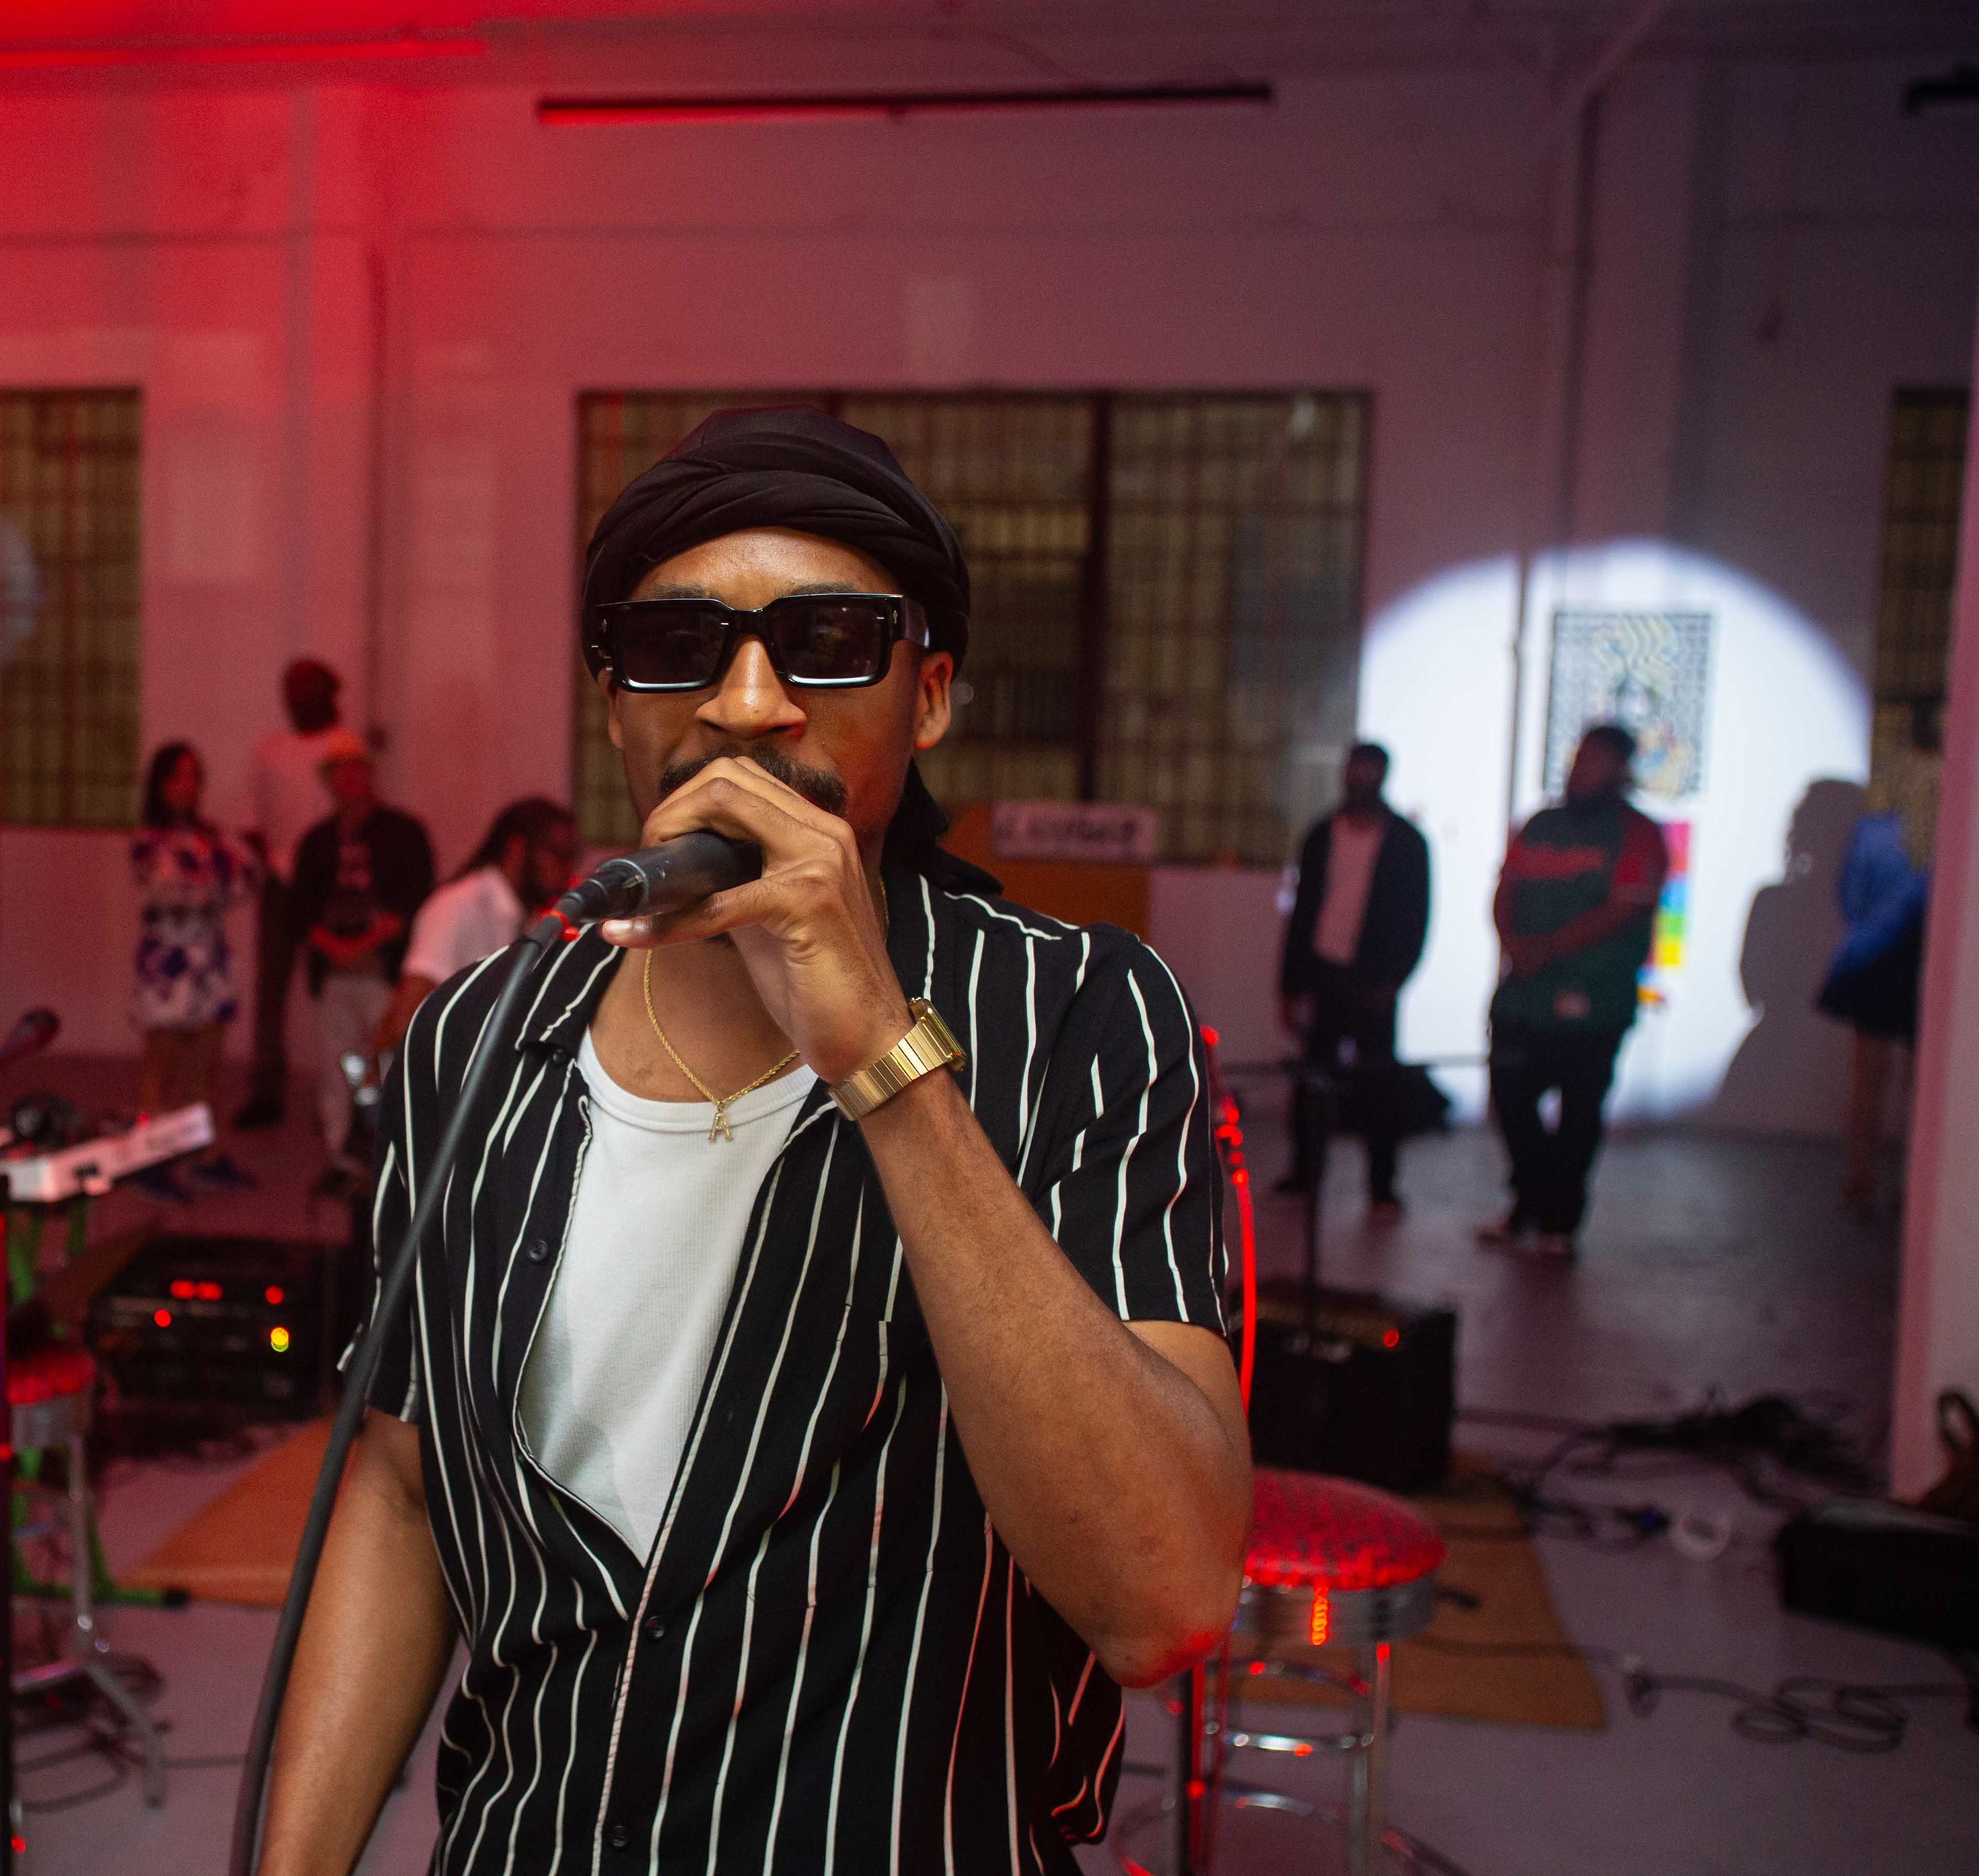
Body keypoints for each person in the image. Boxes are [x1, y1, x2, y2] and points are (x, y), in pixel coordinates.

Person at [261, 407, 1245, 1875]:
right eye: (678, 646)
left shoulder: (1082, 1014)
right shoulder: (478, 1039)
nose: (745, 700)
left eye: (827, 641)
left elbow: (1161, 1596)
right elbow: (402, 1493)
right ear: (615, 705)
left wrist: (879, 1053)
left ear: (928, 696)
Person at [1483, 723, 1668, 1261]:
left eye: (1595, 760)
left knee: (1578, 1117)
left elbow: (1624, 909)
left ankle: (1557, 1220)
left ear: (1620, 770)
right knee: (1510, 1099)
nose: (1580, 769)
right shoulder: (1541, 825)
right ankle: (1531, 1198)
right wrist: (1515, 944)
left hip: (1595, 1006)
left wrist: (1551, 948)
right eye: (1578, 757)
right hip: (1522, 999)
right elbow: (1505, 889)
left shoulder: (1638, 833)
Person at [1276, 741, 1431, 1214]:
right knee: (1313, 1079)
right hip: (1324, 972)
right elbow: (1301, 914)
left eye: (1369, 773)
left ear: (1383, 777)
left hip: (1375, 980)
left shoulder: (1406, 842)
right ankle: (1305, 1171)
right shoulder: (1321, 835)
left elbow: (1416, 918)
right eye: (1354, 772)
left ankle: (1382, 1184)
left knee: (1379, 1084)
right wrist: (1290, 985)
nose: (1359, 781)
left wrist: (1394, 980)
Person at [284, 730, 432, 1191]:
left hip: (384, 976)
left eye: (356, 769)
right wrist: (333, 947)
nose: (349, 779)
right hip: (334, 978)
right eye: (339, 772)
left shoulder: (404, 834)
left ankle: (391, 1156)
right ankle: (340, 1156)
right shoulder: (316, 841)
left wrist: (368, 943)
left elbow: (414, 902)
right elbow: (301, 909)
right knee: (337, 1067)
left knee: (389, 1064)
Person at [128, 740, 263, 1201]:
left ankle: (203, 1154)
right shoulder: (149, 839)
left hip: (209, 963)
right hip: (167, 966)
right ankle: (148, 1161)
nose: (186, 785)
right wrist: (210, 885)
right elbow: (166, 890)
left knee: (205, 1069)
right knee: (160, 1069)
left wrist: (207, 885)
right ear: (160, 783)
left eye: (193, 775)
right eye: (177, 775)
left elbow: (247, 877)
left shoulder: (212, 836)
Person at [368, 795, 580, 1057]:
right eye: (559, 854)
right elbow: (406, 1018)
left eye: (572, 856)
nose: (567, 868)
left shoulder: (527, 916)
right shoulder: (457, 906)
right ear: (516, 849)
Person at [235, 659, 350, 1129]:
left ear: (327, 691)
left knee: (339, 990)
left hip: (332, 886)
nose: (296, 696)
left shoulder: (344, 745)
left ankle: (344, 1094)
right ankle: (266, 1090)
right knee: (271, 990)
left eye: (306, 686)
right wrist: (276, 863)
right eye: (290, 687)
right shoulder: (270, 749)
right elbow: (251, 819)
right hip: (282, 883)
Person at [1816, 806, 1927, 1219]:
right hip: (1921, 966)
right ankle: (1911, 1193)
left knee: (1868, 1083)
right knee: (1920, 1087)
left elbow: (1851, 900)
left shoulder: (1875, 830)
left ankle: (1859, 1187)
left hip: (1875, 963)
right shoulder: (1947, 827)